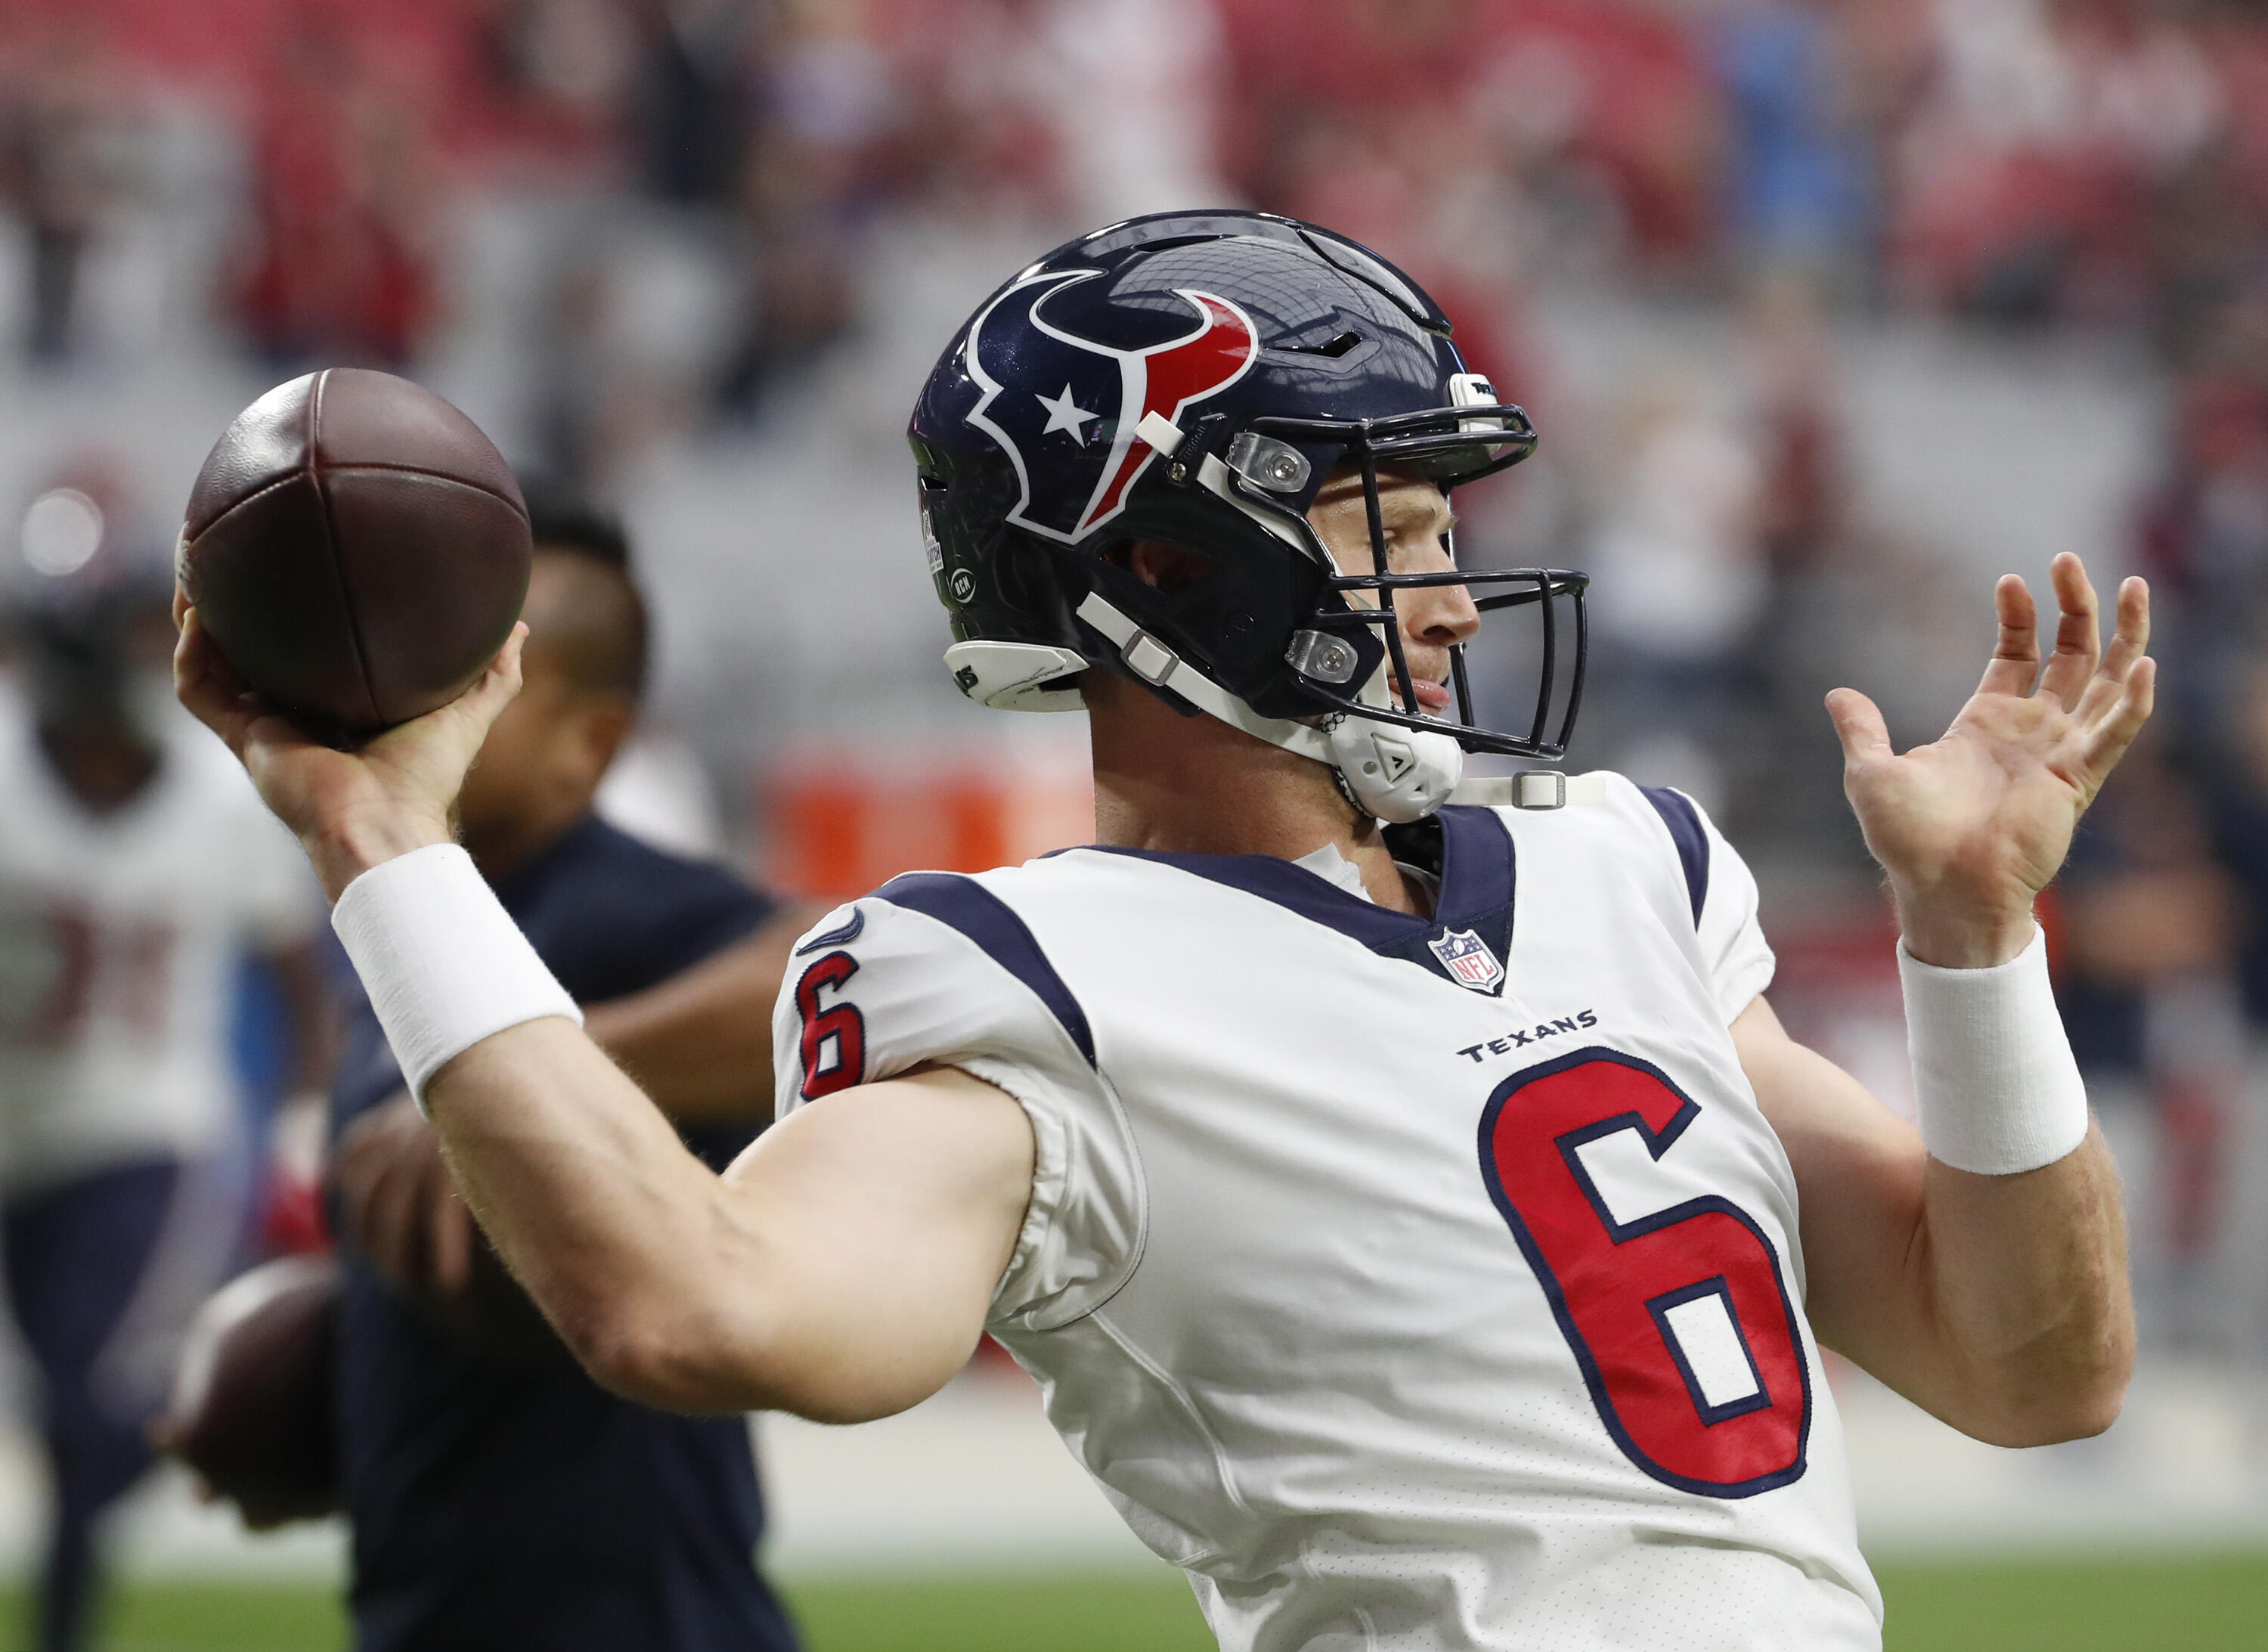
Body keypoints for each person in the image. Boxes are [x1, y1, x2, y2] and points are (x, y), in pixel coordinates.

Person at [177, 212, 2152, 1650]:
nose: (1456, 597)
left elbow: (2033, 1365)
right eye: (1393, 524)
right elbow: (699, 1302)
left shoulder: (1622, 865)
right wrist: (389, 847)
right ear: (1166, 563)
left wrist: (1974, 945)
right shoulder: (1024, 978)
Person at [318, 501, 806, 1651]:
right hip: (436, 1598)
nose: (426, 694)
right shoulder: (412, 912)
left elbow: (834, 958)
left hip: (633, 1615)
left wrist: (532, 1066)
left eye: (486, 673)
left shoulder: (611, 906)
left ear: (592, 742)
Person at [0, 535, 330, 1652]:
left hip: (147, 1133)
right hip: (14, 1133)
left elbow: (297, 972)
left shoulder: (216, 794)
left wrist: (300, 1120)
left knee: (95, 1415)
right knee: (64, 1420)